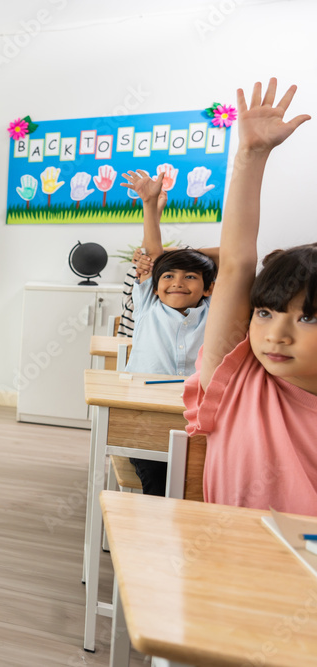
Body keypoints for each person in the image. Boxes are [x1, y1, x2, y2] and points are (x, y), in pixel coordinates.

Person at [183, 78, 317, 514]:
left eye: (308, 318)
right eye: (264, 312)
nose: (276, 336)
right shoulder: (238, 378)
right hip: (230, 575)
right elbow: (238, 261)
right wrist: (251, 156)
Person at [121, 168, 218, 496]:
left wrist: (190, 255)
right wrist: (149, 205)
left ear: (208, 288)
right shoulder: (149, 303)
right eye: (168, 276)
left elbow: (237, 257)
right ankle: (153, 535)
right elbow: (153, 256)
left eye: (190, 277)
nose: (177, 282)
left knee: (198, 478)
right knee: (158, 478)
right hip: (146, 410)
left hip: (195, 414)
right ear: (156, 285)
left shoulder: (214, 311)